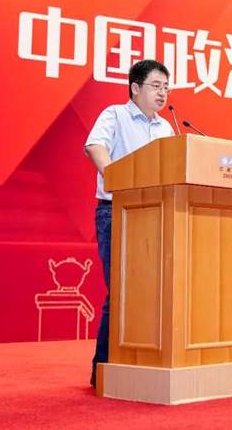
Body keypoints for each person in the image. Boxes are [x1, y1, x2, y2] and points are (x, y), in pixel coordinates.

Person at [84, 59, 175, 387]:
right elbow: (94, 146)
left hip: (156, 214)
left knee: (153, 290)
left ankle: (143, 363)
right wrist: (116, 177)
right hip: (116, 211)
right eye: (156, 86)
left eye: (166, 87)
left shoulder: (166, 129)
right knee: (122, 290)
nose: (162, 93)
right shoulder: (115, 115)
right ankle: (104, 369)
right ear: (135, 88)